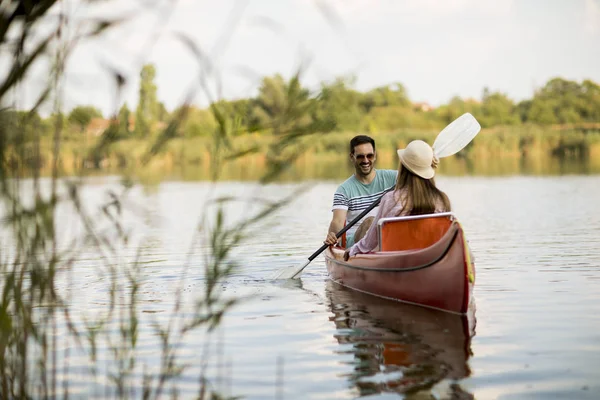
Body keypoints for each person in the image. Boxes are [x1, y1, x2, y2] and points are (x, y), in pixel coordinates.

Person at [344, 139, 451, 261]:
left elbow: (370, 241)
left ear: (403, 169)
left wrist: (353, 250)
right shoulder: (442, 199)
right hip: (431, 256)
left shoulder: (390, 199)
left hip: (396, 258)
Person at [324, 135, 397, 248]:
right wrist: (332, 235)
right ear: (352, 157)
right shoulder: (344, 190)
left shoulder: (393, 178)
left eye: (369, 156)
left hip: (388, 237)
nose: (366, 160)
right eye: (360, 157)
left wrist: (429, 165)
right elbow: (337, 222)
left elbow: (418, 180)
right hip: (355, 243)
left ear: (375, 155)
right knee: (371, 222)